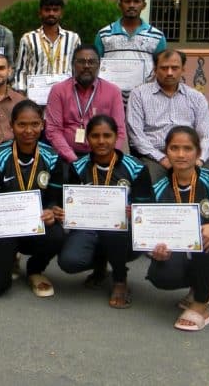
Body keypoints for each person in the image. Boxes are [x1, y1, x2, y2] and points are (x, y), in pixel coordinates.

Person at [147, 126, 209, 331]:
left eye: (187, 148)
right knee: (160, 275)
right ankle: (203, 287)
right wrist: (157, 251)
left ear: (198, 153)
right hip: (184, 251)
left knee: (205, 234)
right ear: (166, 152)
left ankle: (201, 306)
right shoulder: (158, 188)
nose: (181, 154)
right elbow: (154, 235)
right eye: (174, 148)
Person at [58, 115, 153, 308]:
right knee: (69, 261)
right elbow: (70, 203)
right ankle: (100, 267)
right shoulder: (77, 167)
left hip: (123, 232)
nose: (101, 141)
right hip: (88, 227)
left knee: (113, 230)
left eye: (107, 135)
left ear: (116, 137)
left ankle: (120, 280)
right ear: (87, 139)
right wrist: (67, 213)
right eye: (95, 136)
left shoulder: (136, 168)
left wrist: (134, 211)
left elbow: (146, 206)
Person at [0, 100, 66, 297]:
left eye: (34, 124)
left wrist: (51, 210)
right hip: (5, 227)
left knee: (58, 233)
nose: (28, 130)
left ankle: (35, 269)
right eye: (22, 124)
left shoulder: (52, 158)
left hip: (36, 225)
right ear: (12, 126)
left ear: (42, 125)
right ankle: (10, 259)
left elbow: (54, 198)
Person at [127, 48, 209, 182]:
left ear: (183, 69)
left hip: (190, 156)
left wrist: (200, 160)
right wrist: (162, 158)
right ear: (155, 69)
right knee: (151, 183)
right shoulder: (139, 94)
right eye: (164, 68)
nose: (169, 73)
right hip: (154, 157)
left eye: (174, 68)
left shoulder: (196, 97)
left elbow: (207, 134)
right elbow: (136, 134)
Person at [44, 44, 126, 163]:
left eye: (91, 62)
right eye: (81, 61)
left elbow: (119, 130)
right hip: (67, 156)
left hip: (104, 156)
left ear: (99, 65)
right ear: (72, 65)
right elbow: (53, 130)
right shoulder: (58, 90)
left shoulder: (113, 91)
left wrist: (110, 157)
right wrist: (73, 159)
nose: (86, 66)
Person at [93, 0, 167, 95]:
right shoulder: (104, 34)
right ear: (120, 5)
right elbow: (96, 64)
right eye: (127, 1)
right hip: (111, 95)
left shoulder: (157, 36)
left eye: (136, 2)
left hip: (144, 95)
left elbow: (161, 66)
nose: (132, 5)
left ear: (144, 5)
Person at [14, 0, 81, 92]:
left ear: (61, 13)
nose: (51, 13)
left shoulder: (73, 38)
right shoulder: (28, 38)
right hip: (35, 97)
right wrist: (21, 94)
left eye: (55, 10)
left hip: (65, 95)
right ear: (40, 13)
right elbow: (20, 70)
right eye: (47, 10)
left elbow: (77, 68)